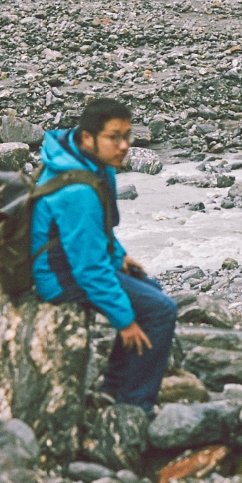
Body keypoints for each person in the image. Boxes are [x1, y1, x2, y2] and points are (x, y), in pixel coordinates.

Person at [31, 97, 176, 409]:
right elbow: (89, 270)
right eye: (114, 137)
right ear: (88, 137)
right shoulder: (78, 191)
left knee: (151, 291)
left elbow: (101, 230)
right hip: (59, 277)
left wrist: (120, 255)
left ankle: (114, 385)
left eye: (127, 135)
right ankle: (134, 404)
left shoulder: (85, 159)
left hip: (69, 261)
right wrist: (124, 321)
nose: (124, 145)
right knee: (160, 309)